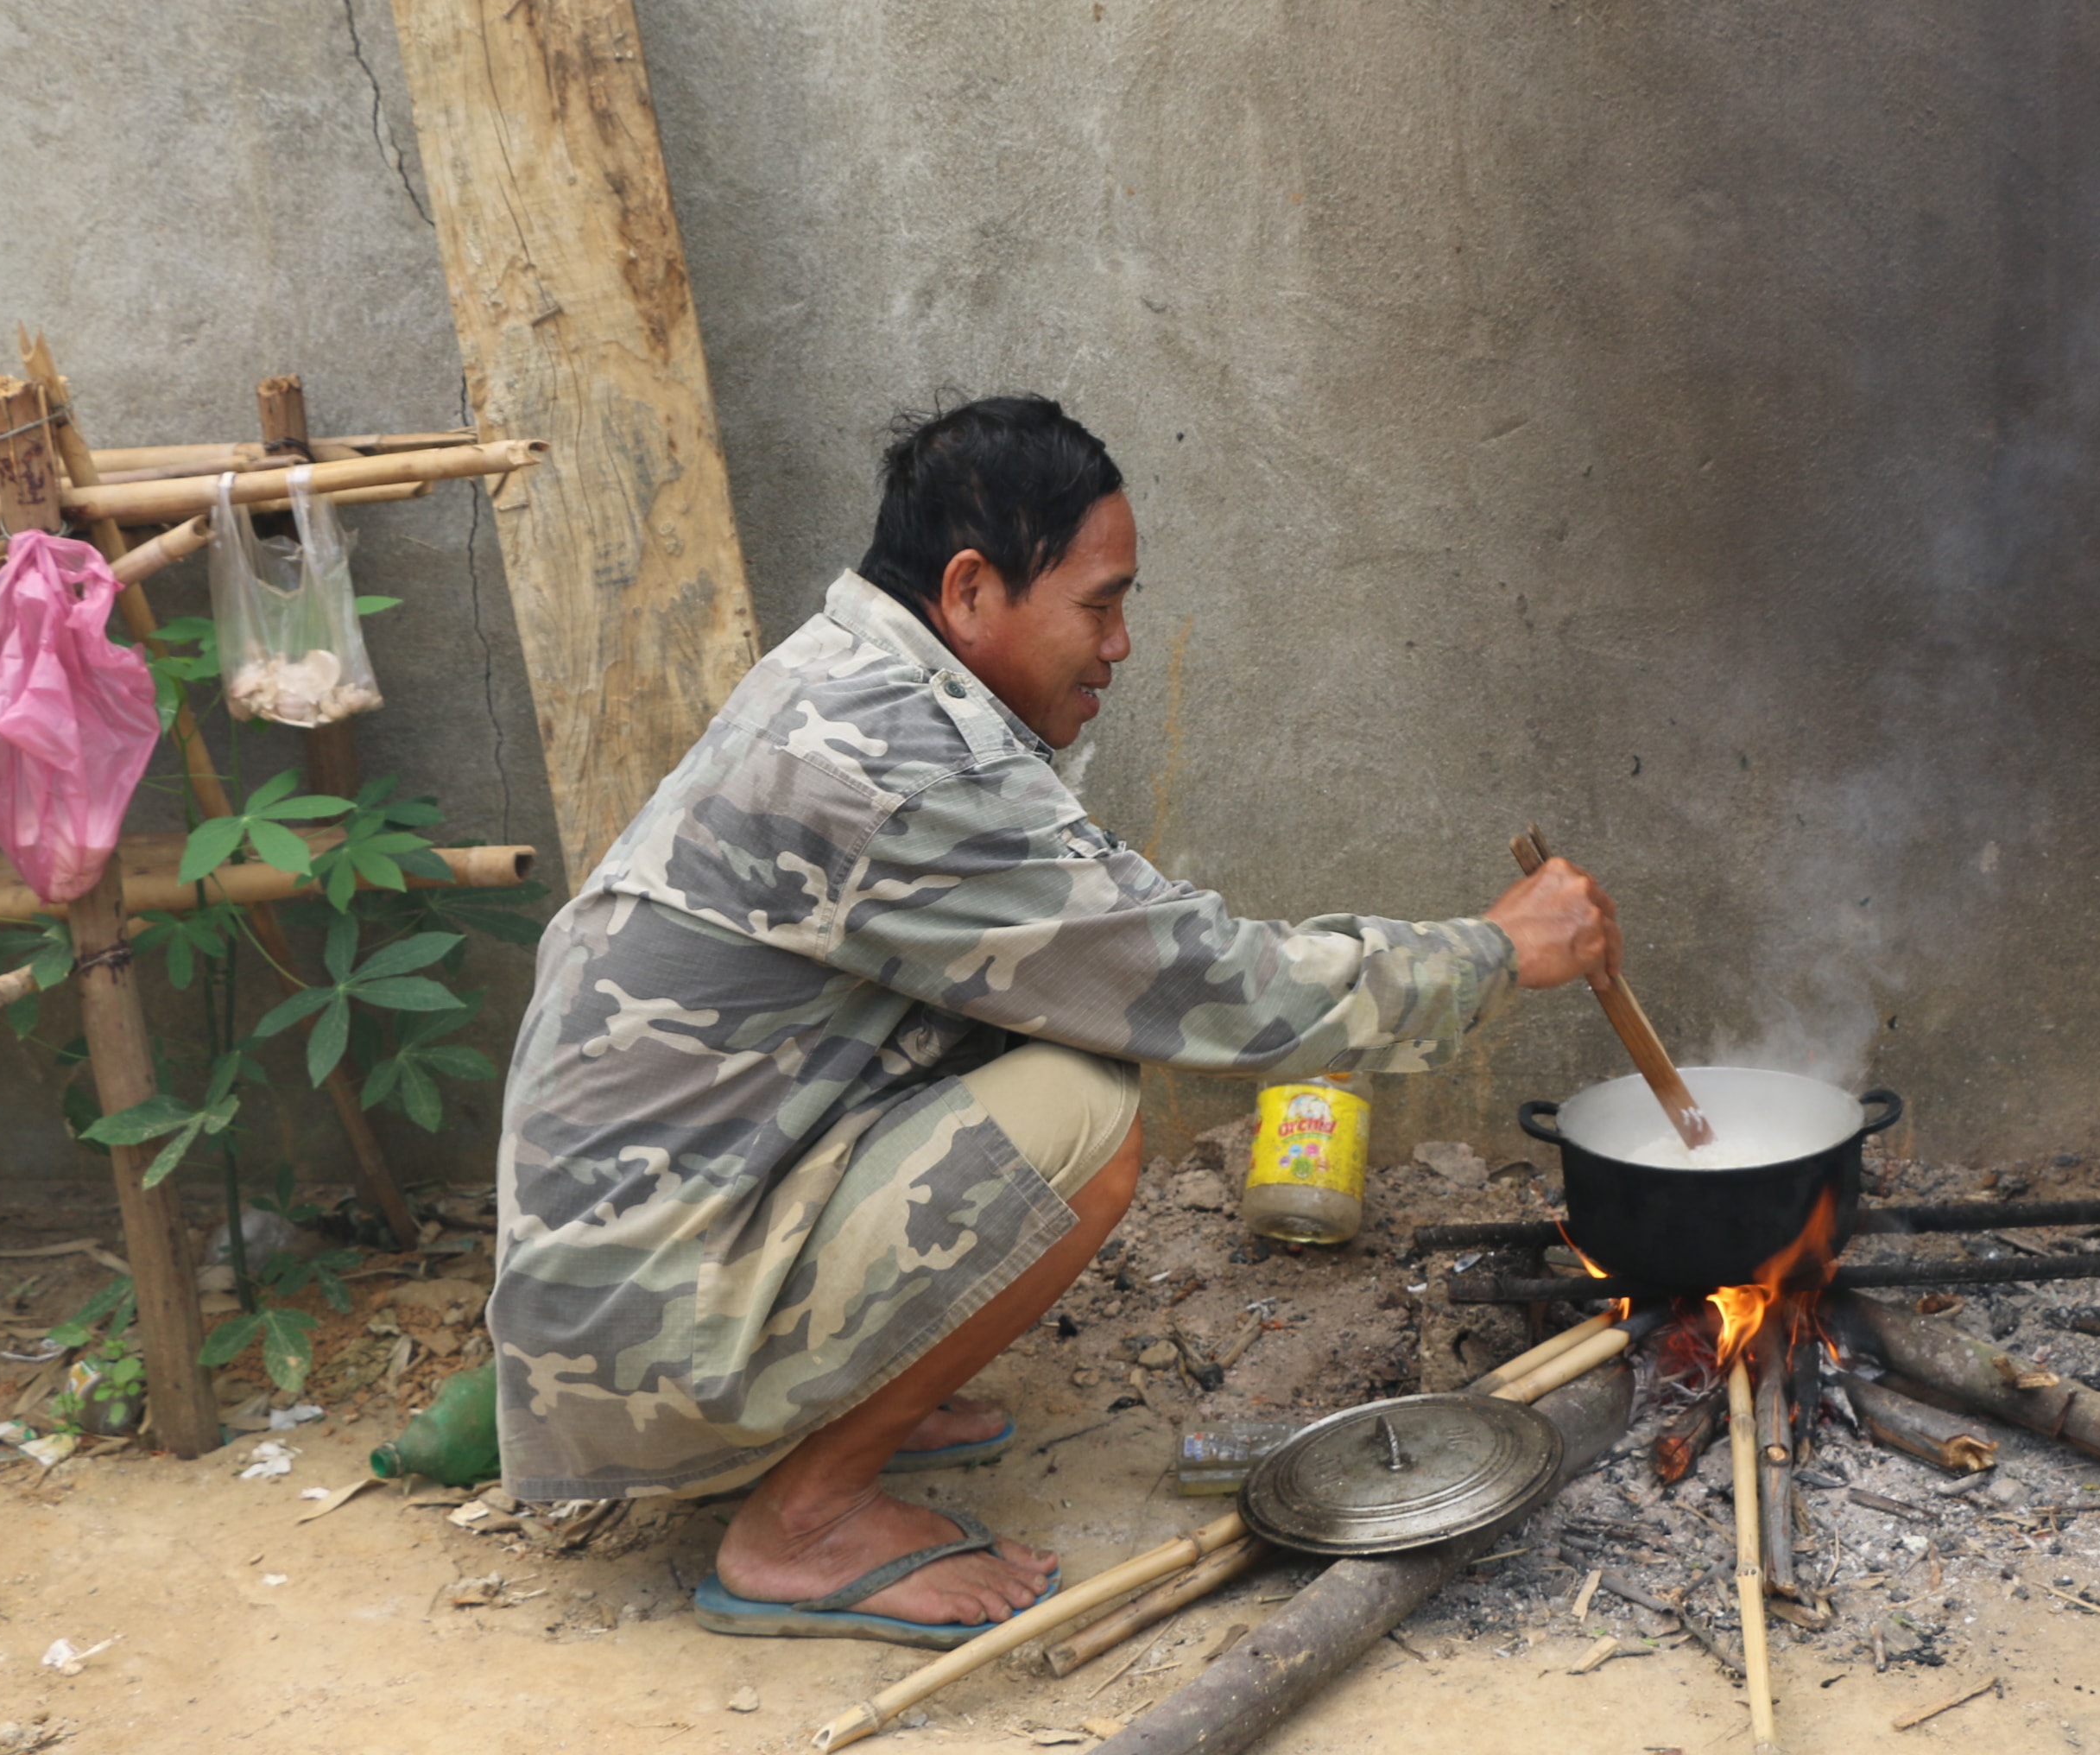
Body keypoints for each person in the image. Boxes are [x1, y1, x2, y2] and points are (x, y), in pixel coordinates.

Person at [488, 395, 1620, 1645]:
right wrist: (1493, 952)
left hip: (633, 1280)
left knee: (1042, 1033)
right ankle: (799, 1526)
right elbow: (1210, 986)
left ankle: (849, 1387)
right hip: (633, 1345)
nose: (1123, 644)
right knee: (1085, 1110)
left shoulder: (854, 678)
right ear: (971, 591)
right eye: (1100, 604)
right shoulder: (902, 767)